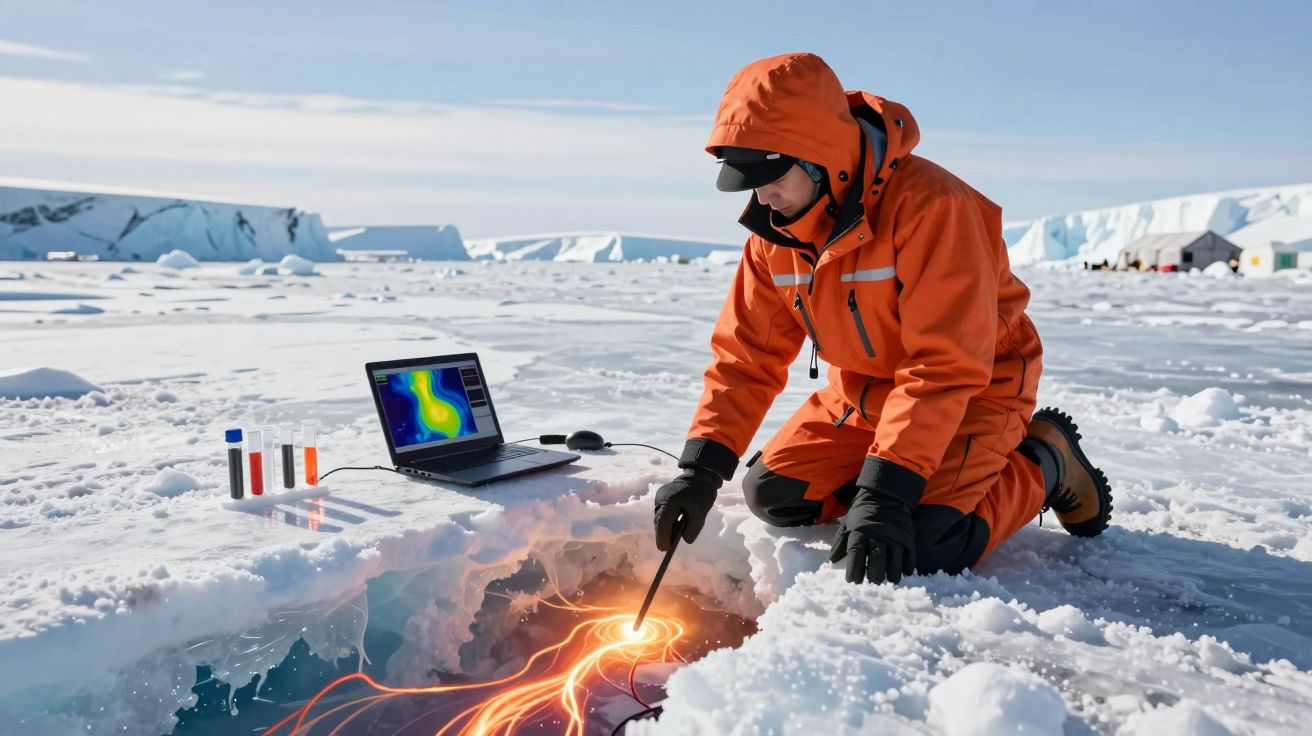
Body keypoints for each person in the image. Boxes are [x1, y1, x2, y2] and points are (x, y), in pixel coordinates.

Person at [652, 53, 1112, 584]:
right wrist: (701, 468)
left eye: (771, 176)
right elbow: (746, 358)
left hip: (977, 389)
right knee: (774, 496)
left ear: (819, 157)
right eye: (747, 179)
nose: (763, 196)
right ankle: (907, 475)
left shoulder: (932, 207)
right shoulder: (773, 237)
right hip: (862, 394)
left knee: (924, 545)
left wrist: (886, 494)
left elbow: (946, 365)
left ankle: (1043, 459)